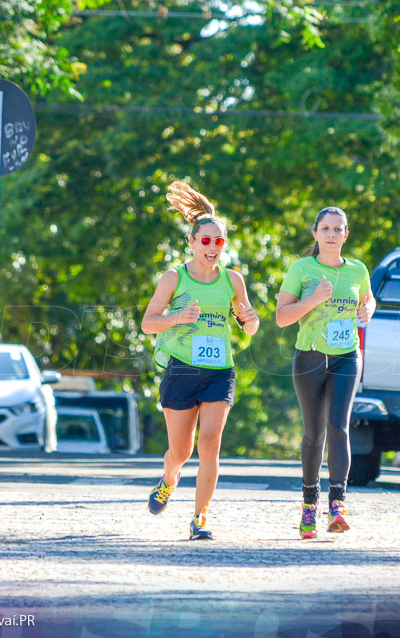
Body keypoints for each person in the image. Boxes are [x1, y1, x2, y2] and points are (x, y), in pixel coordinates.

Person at [141, 181, 259, 540]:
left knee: (209, 445)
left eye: (218, 241)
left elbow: (249, 325)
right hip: (180, 369)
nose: (212, 247)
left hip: (219, 371)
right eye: (205, 241)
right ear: (192, 242)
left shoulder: (233, 280)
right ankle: (169, 479)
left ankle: (200, 518)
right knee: (181, 451)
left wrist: (249, 319)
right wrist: (178, 317)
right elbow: (148, 324)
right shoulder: (174, 277)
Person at [275, 207, 375, 539]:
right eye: (325, 229)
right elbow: (282, 317)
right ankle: (308, 506)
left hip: (347, 357)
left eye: (338, 229)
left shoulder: (358, 269)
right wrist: (314, 299)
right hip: (310, 358)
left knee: (339, 427)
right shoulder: (302, 269)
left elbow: (368, 300)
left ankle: (338, 504)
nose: (331, 234)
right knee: (314, 434)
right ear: (315, 234)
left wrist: (367, 309)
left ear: (346, 234)